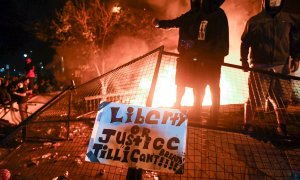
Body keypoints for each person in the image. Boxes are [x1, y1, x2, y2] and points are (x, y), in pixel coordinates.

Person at [154, 0, 229, 126]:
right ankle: (197, 111)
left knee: (211, 86)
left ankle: (212, 117)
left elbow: (218, 39)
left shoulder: (216, 15)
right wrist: (160, 24)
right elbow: (177, 22)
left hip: (211, 59)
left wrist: (207, 52)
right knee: (199, 85)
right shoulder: (198, 14)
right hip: (200, 58)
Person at [240, 0, 300, 135]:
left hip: (281, 66)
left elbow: (295, 40)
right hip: (259, 65)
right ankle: (247, 125)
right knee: (254, 97)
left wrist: (296, 58)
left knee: (282, 99)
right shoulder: (254, 21)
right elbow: (245, 43)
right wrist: (244, 61)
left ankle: (282, 128)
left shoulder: (288, 20)